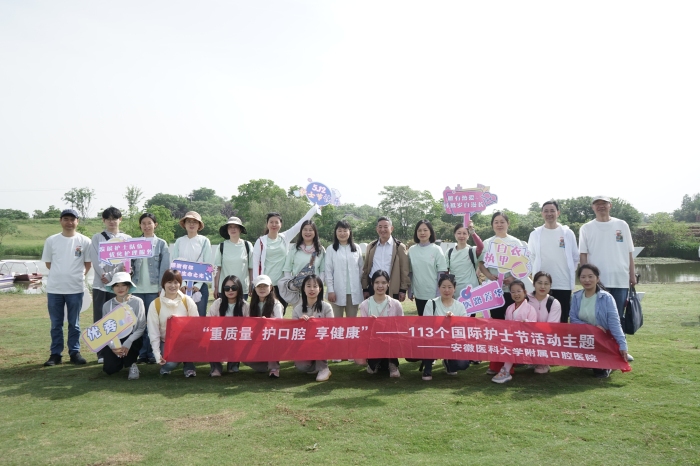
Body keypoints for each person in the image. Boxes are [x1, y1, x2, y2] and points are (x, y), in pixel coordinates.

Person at [578, 195, 636, 361]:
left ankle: (620, 349)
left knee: (618, 317)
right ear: (593, 207)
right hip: (597, 281)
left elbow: (629, 253)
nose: (601, 206)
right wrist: (586, 277)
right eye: (597, 204)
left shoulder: (621, 225)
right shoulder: (586, 228)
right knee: (598, 317)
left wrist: (632, 274)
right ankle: (600, 349)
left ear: (610, 205)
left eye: (604, 203)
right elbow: (583, 254)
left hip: (619, 278)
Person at [478, 211, 533, 376]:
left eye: (502, 221)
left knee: (512, 326)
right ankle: (495, 363)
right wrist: (490, 276)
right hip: (494, 292)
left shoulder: (516, 242)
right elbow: (481, 264)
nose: (499, 224)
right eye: (496, 222)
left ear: (508, 224)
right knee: (496, 326)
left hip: (512, 292)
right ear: (492, 225)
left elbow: (523, 265)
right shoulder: (487, 243)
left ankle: (513, 361)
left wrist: (512, 278)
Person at [42, 208, 92, 366]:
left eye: (72, 219)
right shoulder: (51, 240)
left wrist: (77, 276)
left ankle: (74, 352)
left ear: (77, 221)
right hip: (54, 289)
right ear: (60, 221)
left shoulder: (85, 241)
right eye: (66, 219)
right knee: (56, 324)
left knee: (74, 323)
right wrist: (61, 274)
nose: (69, 222)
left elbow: (88, 264)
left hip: (75, 288)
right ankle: (55, 354)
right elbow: (48, 263)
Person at [253, 205, 319, 313]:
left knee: (280, 312)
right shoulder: (260, 241)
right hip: (265, 284)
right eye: (271, 222)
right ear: (267, 224)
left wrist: (315, 208)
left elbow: (301, 223)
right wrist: (255, 283)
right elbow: (255, 263)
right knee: (264, 312)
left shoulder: (285, 237)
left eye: (276, 222)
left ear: (281, 224)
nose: (274, 225)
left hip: (282, 285)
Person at [570, 264, 628, 378]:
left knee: (600, 372)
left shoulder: (607, 298)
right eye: (583, 277)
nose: (587, 280)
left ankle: (608, 362)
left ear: (597, 278)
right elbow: (573, 320)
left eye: (590, 276)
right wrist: (592, 328)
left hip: (602, 340)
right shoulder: (576, 297)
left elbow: (614, 323)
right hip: (584, 339)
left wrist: (622, 345)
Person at [89, 207, 131, 363]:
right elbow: (95, 258)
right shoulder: (97, 238)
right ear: (104, 220)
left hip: (120, 286)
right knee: (101, 318)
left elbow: (127, 261)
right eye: (108, 219)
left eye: (115, 218)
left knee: (119, 318)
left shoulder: (127, 238)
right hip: (101, 285)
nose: (112, 222)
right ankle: (101, 353)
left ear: (120, 219)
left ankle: (120, 350)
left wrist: (114, 275)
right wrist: (103, 275)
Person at [527, 200, 579, 323]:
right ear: (542, 214)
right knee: (540, 319)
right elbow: (531, 256)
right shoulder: (535, 234)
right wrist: (537, 276)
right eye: (546, 211)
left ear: (558, 213)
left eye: (552, 211)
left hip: (563, 283)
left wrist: (568, 272)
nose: (549, 214)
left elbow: (575, 256)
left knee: (562, 320)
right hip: (541, 285)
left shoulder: (567, 233)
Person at [131, 212, 170, 365]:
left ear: (155, 225)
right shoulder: (134, 243)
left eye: (149, 223)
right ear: (140, 225)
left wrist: (162, 287)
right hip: (137, 289)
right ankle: (142, 354)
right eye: (143, 223)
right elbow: (130, 264)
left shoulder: (161, 244)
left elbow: (165, 267)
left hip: (154, 289)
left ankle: (152, 353)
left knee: (153, 323)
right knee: (139, 323)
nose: (146, 226)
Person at [147, 269, 200, 377]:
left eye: (176, 282)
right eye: (169, 282)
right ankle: (167, 366)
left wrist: (179, 322)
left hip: (186, 341)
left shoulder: (187, 301)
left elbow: (196, 325)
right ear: (163, 283)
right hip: (166, 342)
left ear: (180, 284)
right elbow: (153, 331)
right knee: (170, 364)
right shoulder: (155, 304)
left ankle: (189, 366)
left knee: (188, 350)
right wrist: (157, 354)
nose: (173, 286)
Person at [421, 274, 471, 381]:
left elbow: (464, 327)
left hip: (453, 342)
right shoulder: (431, 303)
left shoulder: (460, 306)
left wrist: (453, 320)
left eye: (450, 287)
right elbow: (426, 325)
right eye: (443, 287)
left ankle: (448, 362)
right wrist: (443, 321)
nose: (446, 290)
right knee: (426, 343)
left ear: (454, 288)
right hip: (434, 341)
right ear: (439, 288)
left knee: (463, 364)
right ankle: (427, 368)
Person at [357, 270, 404, 378]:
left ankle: (392, 364)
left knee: (391, 339)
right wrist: (370, 323)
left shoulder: (396, 304)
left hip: (391, 340)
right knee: (369, 367)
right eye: (377, 282)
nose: (380, 286)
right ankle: (374, 364)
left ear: (388, 284)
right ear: (372, 284)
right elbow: (363, 330)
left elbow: (402, 326)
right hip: (373, 340)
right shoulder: (365, 305)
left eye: (383, 282)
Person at [491, 280, 538, 384]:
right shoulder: (509, 308)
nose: (516, 294)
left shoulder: (530, 309)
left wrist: (526, 323)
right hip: (511, 338)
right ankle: (498, 368)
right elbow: (506, 326)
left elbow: (533, 327)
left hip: (524, 339)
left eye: (518, 291)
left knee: (511, 344)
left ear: (525, 292)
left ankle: (506, 371)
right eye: (513, 292)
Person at [101, 272, 146, 380]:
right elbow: (105, 330)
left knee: (132, 341)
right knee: (110, 369)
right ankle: (121, 360)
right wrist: (113, 346)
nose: (120, 288)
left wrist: (129, 341)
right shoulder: (107, 305)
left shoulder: (137, 302)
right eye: (117, 285)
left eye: (123, 285)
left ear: (128, 287)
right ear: (112, 288)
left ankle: (132, 364)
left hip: (132, 338)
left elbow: (141, 327)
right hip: (114, 339)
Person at [292, 275, 334, 382]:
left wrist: (317, 324)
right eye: (308, 286)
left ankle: (323, 368)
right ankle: (316, 366)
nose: (312, 289)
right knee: (301, 366)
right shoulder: (297, 309)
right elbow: (294, 332)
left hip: (323, 342)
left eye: (315, 286)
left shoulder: (326, 307)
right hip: (304, 344)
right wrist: (300, 323)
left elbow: (331, 327)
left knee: (319, 338)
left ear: (320, 289)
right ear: (303, 288)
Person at [171, 211, 213, 317]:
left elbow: (208, 264)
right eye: (189, 221)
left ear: (199, 225)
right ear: (184, 224)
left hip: (200, 284)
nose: (191, 224)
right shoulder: (179, 241)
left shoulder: (204, 241)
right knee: (181, 315)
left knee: (199, 316)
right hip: (181, 284)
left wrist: (198, 285)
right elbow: (174, 264)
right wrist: (182, 284)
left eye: (195, 222)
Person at [208, 275, 249, 376]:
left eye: (234, 288)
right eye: (227, 288)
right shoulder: (217, 303)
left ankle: (233, 365)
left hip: (236, 338)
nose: (230, 290)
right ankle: (216, 368)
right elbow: (208, 320)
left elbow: (249, 326)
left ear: (239, 289)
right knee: (211, 340)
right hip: (219, 336)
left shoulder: (245, 306)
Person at [361, 216, 410, 302]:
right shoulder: (371, 246)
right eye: (380, 227)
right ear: (376, 229)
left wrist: (403, 289)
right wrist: (365, 288)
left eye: (385, 227)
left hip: (392, 287)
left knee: (391, 310)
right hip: (373, 287)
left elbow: (404, 270)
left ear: (391, 228)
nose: (382, 229)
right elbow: (366, 268)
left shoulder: (399, 247)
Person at [245, 275, 284, 378]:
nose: (262, 289)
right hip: (256, 337)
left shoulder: (276, 304)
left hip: (272, 336)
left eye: (265, 286)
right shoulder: (252, 305)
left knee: (271, 341)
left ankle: (274, 367)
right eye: (259, 286)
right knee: (245, 358)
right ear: (255, 288)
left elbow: (280, 324)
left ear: (270, 287)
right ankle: (266, 365)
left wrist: (267, 322)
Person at [281, 220, 326, 307]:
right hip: (298, 292)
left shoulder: (320, 249)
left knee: (315, 314)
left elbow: (322, 271)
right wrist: (292, 285)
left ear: (315, 232)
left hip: (314, 292)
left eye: (310, 230)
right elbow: (287, 269)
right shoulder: (295, 248)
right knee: (299, 314)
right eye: (305, 229)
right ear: (301, 231)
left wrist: (317, 286)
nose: (307, 232)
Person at [325, 220, 364, 319]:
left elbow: (361, 269)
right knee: (336, 322)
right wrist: (330, 290)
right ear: (335, 232)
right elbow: (328, 271)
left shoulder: (357, 248)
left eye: (345, 230)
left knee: (352, 322)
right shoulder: (331, 249)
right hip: (336, 291)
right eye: (339, 230)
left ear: (349, 232)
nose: (342, 233)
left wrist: (361, 285)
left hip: (353, 292)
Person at [408, 219, 447, 316]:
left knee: (435, 321)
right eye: (419, 230)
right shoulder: (412, 250)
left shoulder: (437, 250)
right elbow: (410, 272)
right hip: (418, 293)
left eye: (425, 230)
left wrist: (439, 292)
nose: (422, 233)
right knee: (422, 320)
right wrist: (410, 290)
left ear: (431, 232)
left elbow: (441, 273)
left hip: (433, 294)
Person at [528, 271, 562, 374]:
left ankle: (543, 362)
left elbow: (551, 327)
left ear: (550, 286)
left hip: (545, 338)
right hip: (527, 335)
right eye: (539, 283)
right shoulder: (525, 299)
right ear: (534, 284)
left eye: (546, 283)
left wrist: (531, 326)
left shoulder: (554, 303)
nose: (542, 286)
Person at [213, 217, 253, 300]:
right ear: (227, 230)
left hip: (242, 288)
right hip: (225, 288)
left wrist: (251, 285)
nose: (233, 229)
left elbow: (251, 268)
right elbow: (217, 268)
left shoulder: (247, 245)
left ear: (240, 230)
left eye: (236, 227)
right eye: (230, 227)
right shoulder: (221, 246)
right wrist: (216, 287)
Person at [446, 221, 484, 299]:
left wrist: (472, 231)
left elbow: (481, 246)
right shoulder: (449, 252)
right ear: (455, 234)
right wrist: (448, 289)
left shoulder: (472, 250)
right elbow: (446, 272)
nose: (461, 236)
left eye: (464, 233)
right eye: (459, 233)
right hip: (455, 291)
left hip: (471, 291)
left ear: (468, 235)